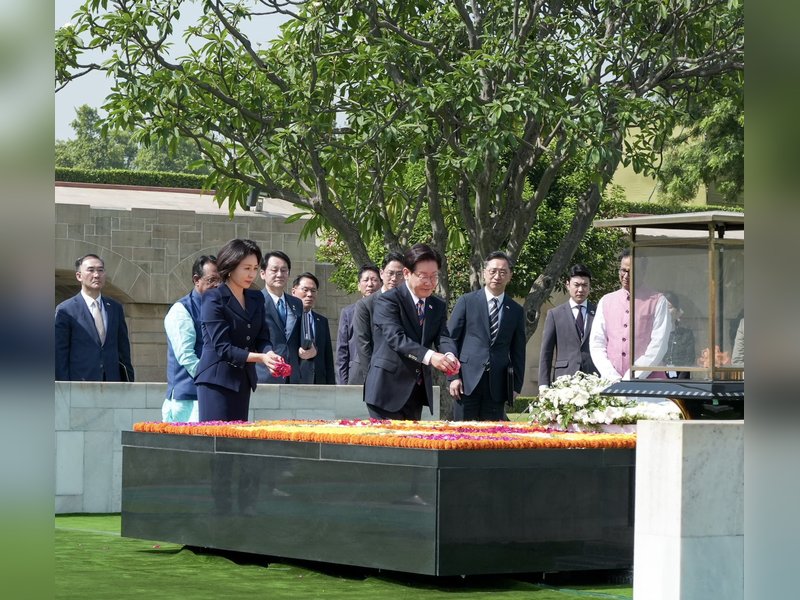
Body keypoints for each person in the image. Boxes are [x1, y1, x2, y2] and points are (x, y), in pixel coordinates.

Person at [363, 243, 459, 420]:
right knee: (389, 445)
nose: (429, 283)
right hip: (386, 391)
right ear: (407, 273)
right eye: (423, 276)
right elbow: (397, 339)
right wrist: (431, 357)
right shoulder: (388, 301)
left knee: (413, 444)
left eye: (434, 276)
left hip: (416, 392)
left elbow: (443, 336)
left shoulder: (436, 305)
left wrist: (449, 355)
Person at [194, 239, 282, 421]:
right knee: (216, 442)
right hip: (215, 381)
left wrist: (270, 354)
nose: (251, 274)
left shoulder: (256, 297)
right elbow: (222, 347)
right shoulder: (213, 297)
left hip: (243, 380)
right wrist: (261, 358)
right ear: (231, 266)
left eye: (255, 268)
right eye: (246, 268)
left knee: (237, 442)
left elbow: (262, 338)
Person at [447, 251, 526, 421]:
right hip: (465, 383)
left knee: (492, 440)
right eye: (493, 271)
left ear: (510, 276)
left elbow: (518, 351)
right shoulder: (467, 302)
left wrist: (516, 385)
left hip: (497, 385)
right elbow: (450, 339)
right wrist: (453, 377)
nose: (497, 276)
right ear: (484, 273)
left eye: (503, 272)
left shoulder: (516, 311)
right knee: (462, 438)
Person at [589, 248, 671, 381]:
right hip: (612, 380)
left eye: (632, 272)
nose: (626, 276)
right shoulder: (606, 300)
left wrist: (634, 374)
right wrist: (610, 373)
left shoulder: (658, 300)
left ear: (643, 272)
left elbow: (659, 344)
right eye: (623, 270)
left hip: (649, 380)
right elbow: (597, 342)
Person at [55, 253, 135, 382]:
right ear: (79, 276)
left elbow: (123, 350)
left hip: (112, 383)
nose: (96, 275)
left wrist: (129, 381)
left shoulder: (115, 308)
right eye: (91, 270)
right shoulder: (66, 310)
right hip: (80, 383)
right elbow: (60, 353)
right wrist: (63, 385)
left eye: (100, 270)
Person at [162, 255, 220, 423]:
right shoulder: (181, 311)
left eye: (221, 280)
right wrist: (212, 381)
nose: (217, 285)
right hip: (188, 400)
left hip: (212, 395)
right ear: (196, 280)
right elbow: (187, 357)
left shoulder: (219, 307)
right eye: (212, 280)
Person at [538, 264, 598, 392]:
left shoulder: (599, 313)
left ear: (589, 287)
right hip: (564, 379)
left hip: (593, 379)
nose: (580, 289)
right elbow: (546, 352)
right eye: (576, 285)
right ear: (568, 285)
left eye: (585, 285)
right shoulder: (555, 314)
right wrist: (543, 384)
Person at [350, 252, 406, 384]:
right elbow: (364, 344)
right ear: (381, 273)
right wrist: (374, 377)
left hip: (400, 377)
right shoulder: (365, 305)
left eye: (399, 274)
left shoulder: (408, 304)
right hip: (369, 375)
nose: (394, 278)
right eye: (390, 273)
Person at [256, 250, 304, 384]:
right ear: (263, 273)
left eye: (284, 270)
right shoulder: (255, 302)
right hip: (265, 375)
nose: (279, 274)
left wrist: (310, 349)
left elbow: (300, 337)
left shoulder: (296, 303)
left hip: (292, 376)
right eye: (274, 270)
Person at [336, 265, 380, 384]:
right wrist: (342, 383)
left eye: (374, 280)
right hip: (356, 375)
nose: (370, 284)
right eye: (366, 280)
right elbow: (342, 351)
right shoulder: (348, 312)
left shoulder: (388, 310)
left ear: (381, 284)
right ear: (359, 285)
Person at [291, 272, 335, 384]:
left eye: (313, 291)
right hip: (293, 379)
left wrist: (331, 384)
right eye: (305, 290)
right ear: (293, 291)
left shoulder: (322, 321)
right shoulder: (287, 318)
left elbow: (328, 356)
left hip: (318, 381)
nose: (309, 294)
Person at [663, 291, 696, 379]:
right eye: (663, 307)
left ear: (677, 310)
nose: (666, 311)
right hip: (659, 380)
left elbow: (689, 360)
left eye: (669, 307)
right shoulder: (655, 335)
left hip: (682, 383)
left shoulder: (686, 334)